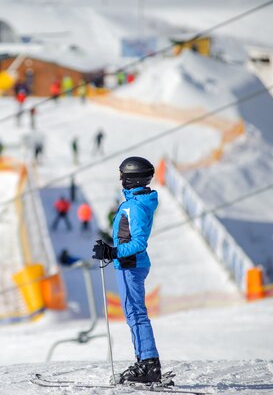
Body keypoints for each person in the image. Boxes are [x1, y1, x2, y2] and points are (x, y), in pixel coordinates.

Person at [91, 156, 161, 384]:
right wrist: (111, 250)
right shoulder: (136, 202)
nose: (120, 179)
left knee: (136, 314)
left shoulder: (136, 207)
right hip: (128, 264)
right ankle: (144, 360)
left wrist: (113, 252)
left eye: (123, 176)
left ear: (131, 179)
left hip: (131, 266)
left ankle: (149, 364)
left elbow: (139, 242)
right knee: (133, 314)